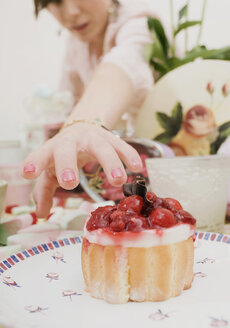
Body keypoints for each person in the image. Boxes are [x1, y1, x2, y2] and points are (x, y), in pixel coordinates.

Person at [22, 0, 156, 217]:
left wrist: (84, 124)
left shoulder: (140, 24)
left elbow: (126, 63)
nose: (71, 12)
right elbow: (68, 104)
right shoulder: (77, 45)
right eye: (54, 2)